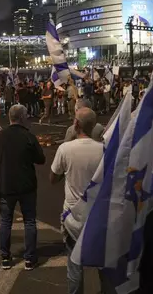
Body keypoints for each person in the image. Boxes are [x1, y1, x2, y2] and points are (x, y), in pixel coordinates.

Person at [50, 108, 106, 294]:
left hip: (73, 217)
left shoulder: (65, 148)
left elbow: (53, 177)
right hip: (98, 216)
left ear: (76, 125)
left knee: (74, 266)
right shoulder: (104, 150)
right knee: (103, 264)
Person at [0, 104, 45, 270]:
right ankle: (30, 258)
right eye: (26, 115)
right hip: (26, 186)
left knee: (5, 221)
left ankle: (5, 258)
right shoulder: (28, 136)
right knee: (30, 221)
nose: (28, 118)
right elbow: (40, 159)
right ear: (21, 117)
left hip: (6, 186)